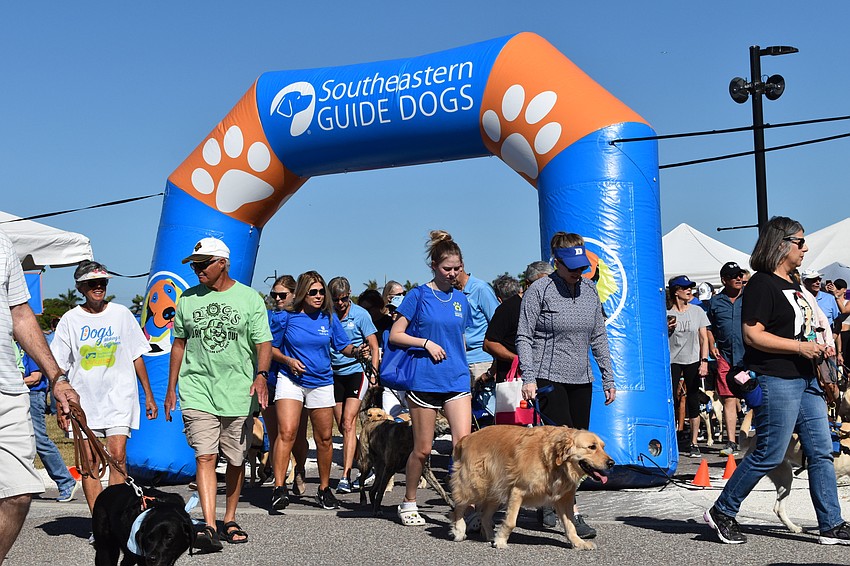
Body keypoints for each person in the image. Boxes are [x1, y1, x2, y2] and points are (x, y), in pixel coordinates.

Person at [705, 216, 850, 546]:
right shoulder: (762, 284)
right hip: (776, 378)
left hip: (805, 378)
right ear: (781, 244)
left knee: (822, 451)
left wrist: (818, 348)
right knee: (769, 453)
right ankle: (722, 511)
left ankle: (831, 524)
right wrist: (801, 346)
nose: (806, 247)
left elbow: (800, 328)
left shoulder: (794, 284)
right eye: (800, 242)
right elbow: (752, 334)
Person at [164, 237, 271, 551]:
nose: (198, 270)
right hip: (197, 390)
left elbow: (263, 342)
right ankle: (209, 526)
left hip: (238, 391)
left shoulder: (250, 299)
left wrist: (261, 376)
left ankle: (230, 518)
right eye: (194, 265)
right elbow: (179, 344)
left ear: (222, 262)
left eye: (203, 264)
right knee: (205, 455)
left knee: (236, 460)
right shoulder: (187, 298)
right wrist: (171, 388)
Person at [516, 232, 616, 538]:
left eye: (581, 266)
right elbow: (524, 336)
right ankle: (560, 510)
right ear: (555, 262)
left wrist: (608, 377)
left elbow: (598, 337)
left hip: (581, 379)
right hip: (549, 378)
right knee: (557, 448)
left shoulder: (589, 291)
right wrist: (529, 378)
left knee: (580, 453)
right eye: (570, 266)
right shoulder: (540, 291)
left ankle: (564, 504)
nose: (577, 272)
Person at [50, 260, 157, 516]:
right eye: (91, 283)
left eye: (102, 283)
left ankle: (116, 518)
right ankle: (99, 521)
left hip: (119, 396)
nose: (98, 287)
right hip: (84, 400)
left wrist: (149, 395)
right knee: (90, 463)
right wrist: (60, 405)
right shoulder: (70, 320)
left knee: (118, 457)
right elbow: (57, 368)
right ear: (80, 287)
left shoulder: (121, 314)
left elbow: (136, 355)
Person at [0, 228, 79, 563]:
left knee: (18, 492)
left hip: (6, 388)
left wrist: (57, 377)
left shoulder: (2, 242)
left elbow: (20, 313)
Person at [390, 230, 472, 526]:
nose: (452, 274)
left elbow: (460, 338)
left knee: (464, 446)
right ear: (434, 266)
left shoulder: (461, 299)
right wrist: (425, 343)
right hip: (425, 380)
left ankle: (465, 505)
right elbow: (396, 335)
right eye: (447, 269)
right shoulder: (418, 295)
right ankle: (409, 501)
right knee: (423, 449)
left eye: (457, 269)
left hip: (457, 380)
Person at [269, 271, 365, 512]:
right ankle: (279, 488)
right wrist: (288, 361)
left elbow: (343, 346)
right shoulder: (286, 318)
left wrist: (358, 352)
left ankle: (324, 489)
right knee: (287, 432)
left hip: (321, 382)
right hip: (290, 380)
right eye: (314, 292)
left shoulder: (329, 319)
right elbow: (271, 349)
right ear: (302, 293)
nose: (319, 296)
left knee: (324, 438)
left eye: (322, 291)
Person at [328, 276, 379, 494]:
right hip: (334, 372)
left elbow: (374, 345)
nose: (340, 304)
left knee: (349, 423)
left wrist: (374, 373)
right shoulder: (327, 315)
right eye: (336, 300)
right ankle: (367, 463)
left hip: (357, 371)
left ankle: (345, 476)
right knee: (342, 425)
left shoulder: (360, 315)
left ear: (349, 296)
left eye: (344, 299)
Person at [20, 347, 80, 502]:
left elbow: (36, 377)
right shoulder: (13, 346)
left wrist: (9, 380)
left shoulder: (30, 349)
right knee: (22, 442)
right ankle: (29, 485)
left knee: (40, 440)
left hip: (33, 394)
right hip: (21, 394)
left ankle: (66, 482)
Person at [483, 261, 553, 382]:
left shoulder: (553, 308)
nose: (546, 289)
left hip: (547, 379)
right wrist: (518, 359)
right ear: (528, 284)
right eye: (541, 284)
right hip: (515, 381)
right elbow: (489, 344)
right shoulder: (509, 308)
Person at [265, 275, 303, 490]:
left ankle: (299, 468)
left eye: (282, 295)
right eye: (274, 295)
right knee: (276, 434)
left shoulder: (301, 317)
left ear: (294, 295)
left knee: (295, 435)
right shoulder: (270, 317)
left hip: (294, 378)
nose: (277, 299)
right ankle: (279, 484)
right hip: (271, 377)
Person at [705, 262, 746, 457]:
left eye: (740, 275)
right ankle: (731, 442)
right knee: (729, 399)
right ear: (724, 280)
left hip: (749, 358)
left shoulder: (751, 298)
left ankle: (757, 438)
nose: (738, 279)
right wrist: (712, 345)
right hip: (725, 358)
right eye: (733, 276)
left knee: (756, 399)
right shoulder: (715, 302)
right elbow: (709, 327)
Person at [455, 263, 499, 386]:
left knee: (487, 404)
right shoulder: (450, 293)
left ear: (461, 266)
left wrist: (493, 368)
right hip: (459, 362)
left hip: (482, 361)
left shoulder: (481, 289)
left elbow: (498, 324)